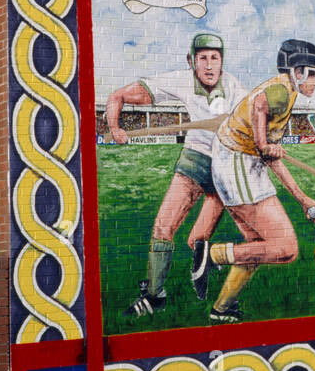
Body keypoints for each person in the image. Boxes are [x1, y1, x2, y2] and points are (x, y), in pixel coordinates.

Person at [105, 32, 245, 318]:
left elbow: (256, 121)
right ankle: (155, 295)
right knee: (163, 227)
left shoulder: (233, 87)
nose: (208, 65)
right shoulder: (181, 80)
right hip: (194, 160)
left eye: (214, 58)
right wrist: (115, 126)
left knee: (197, 242)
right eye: (202, 58)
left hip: (225, 166)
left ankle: (203, 266)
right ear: (191, 61)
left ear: (222, 62)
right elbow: (117, 96)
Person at [190, 39, 315, 324]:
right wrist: (263, 143)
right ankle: (210, 255)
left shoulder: (287, 93)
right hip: (237, 162)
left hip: (238, 162)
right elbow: (259, 105)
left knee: (258, 244)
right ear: (296, 71)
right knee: (286, 248)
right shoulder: (279, 91)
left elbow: (272, 158)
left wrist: (302, 199)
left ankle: (222, 307)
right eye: (312, 73)